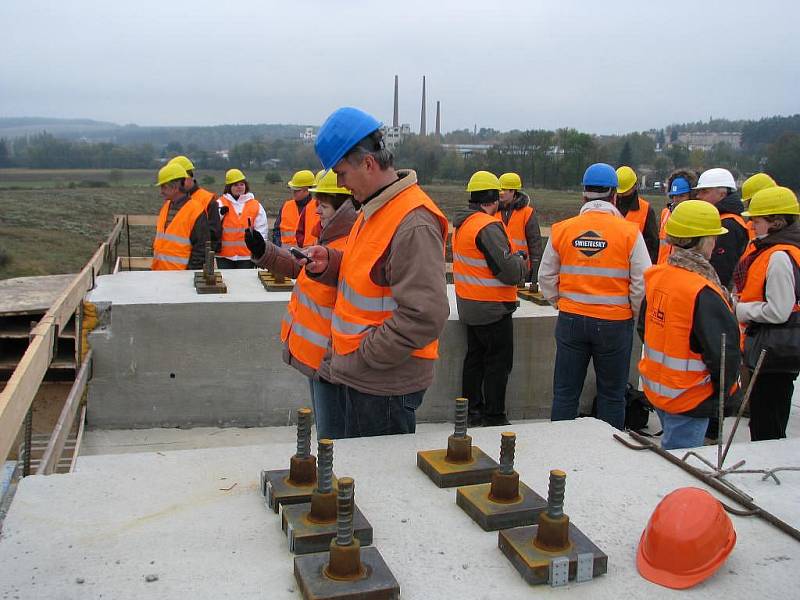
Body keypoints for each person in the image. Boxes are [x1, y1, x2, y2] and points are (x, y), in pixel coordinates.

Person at [302, 106, 449, 438]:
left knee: (376, 482)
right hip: (365, 376)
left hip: (384, 385)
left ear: (368, 164)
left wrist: (362, 356)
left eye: (341, 174)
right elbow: (370, 275)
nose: (340, 183)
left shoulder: (413, 221)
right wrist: (330, 262)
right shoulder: (375, 208)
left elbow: (425, 315)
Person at [244, 170, 359, 439]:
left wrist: (334, 361)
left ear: (344, 209)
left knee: (333, 437)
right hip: (317, 360)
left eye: (323, 205)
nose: (316, 210)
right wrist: (263, 251)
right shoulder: (328, 239)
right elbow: (299, 265)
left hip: (331, 363)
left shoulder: (350, 247)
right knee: (327, 431)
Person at [538, 163, 650, 429]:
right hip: (614, 324)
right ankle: (608, 455)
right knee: (612, 396)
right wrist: (630, 311)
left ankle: (560, 450)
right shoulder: (629, 233)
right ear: (614, 196)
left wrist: (560, 302)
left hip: (572, 320)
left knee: (565, 394)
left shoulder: (563, 229)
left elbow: (545, 277)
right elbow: (641, 283)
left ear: (583, 195)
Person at [638, 200, 741, 449]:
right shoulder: (702, 289)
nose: (715, 244)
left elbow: (644, 328)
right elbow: (722, 353)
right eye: (713, 238)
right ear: (702, 240)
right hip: (690, 398)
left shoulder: (657, 276)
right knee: (681, 468)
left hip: (660, 391)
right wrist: (726, 396)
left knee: (670, 459)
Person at [454, 171, 527, 427]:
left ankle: (470, 411)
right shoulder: (487, 226)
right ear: (493, 199)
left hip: (469, 305)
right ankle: (494, 415)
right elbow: (508, 272)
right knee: (498, 364)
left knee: (474, 359)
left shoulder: (463, 224)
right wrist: (521, 264)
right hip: (492, 308)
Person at [734, 186, 800, 441]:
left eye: (757, 220)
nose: (751, 224)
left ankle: (767, 464)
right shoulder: (779, 250)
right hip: (775, 350)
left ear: (777, 222)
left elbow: (779, 310)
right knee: (769, 413)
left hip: (773, 353)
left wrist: (740, 309)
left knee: (767, 419)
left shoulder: (779, 256)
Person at [151, 163, 214, 270]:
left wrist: (188, 275)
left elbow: (201, 250)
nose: (161, 192)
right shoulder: (166, 206)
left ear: (175, 187)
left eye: (164, 187)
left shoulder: (196, 210)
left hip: (180, 277)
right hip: (159, 272)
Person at [694, 168, 749, 288]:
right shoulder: (722, 219)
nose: (698, 196)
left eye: (704, 191)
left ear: (722, 194)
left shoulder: (728, 225)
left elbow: (720, 272)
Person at [166, 155, 221, 252]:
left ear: (190, 177)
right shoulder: (171, 201)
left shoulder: (208, 200)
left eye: (177, 180)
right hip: (174, 259)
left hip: (197, 260)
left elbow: (214, 234)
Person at [216, 169, 268, 269]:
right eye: (235, 185)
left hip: (247, 256)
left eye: (242, 184)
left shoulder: (255, 205)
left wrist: (259, 251)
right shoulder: (220, 203)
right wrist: (220, 213)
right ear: (229, 187)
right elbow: (212, 223)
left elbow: (262, 231)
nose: (239, 187)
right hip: (224, 255)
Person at [498, 172, 543, 284]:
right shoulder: (493, 211)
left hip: (521, 269)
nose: (500, 193)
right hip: (498, 266)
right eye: (499, 189)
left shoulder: (527, 213)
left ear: (513, 191)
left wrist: (535, 267)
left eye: (504, 190)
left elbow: (535, 242)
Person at [616, 166, 659, 263]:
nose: (622, 195)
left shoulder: (646, 210)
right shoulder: (610, 207)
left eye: (625, 192)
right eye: (620, 192)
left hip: (637, 266)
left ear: (634, 186)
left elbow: (653, 245)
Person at [657, 170, 697, 264]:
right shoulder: (665, 213)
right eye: (674, 196)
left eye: (681, 196)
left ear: (691, 195)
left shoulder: (695, 217)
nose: (676, 200)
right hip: (663, 270)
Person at [272, 170, 320, 248]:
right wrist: (278, 248)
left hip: (310, 256)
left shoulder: (318, 207)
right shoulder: (286, 206)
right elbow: (277, 231)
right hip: (286, 255)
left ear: (307, 190)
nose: (294, 192)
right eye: (293, 189)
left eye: (297, 190)